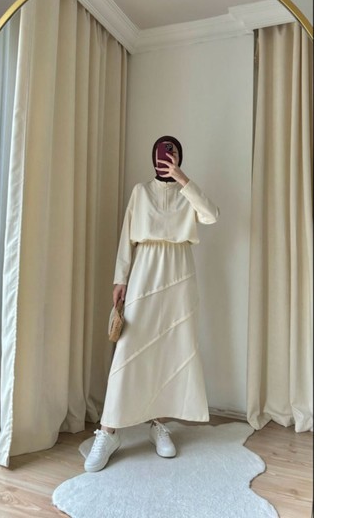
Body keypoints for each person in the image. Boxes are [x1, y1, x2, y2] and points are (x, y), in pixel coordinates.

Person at [84, 135, 220, 472]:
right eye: (161, 153)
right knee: (130, 349)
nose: (166, 158)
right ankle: (108, 431)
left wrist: (182, 179)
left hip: (179, 273)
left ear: (179, 158)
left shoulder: (188, 192)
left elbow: (211, 215)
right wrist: (120, 278)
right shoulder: (140, 192)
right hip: (145, 270)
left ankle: (158, 424)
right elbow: (126, 236)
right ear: (152, 158)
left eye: (172, 153)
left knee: (171, 348)